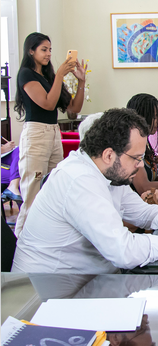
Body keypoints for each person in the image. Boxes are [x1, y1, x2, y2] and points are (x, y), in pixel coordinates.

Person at [12, 108, 158, 274]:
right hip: (50, 295)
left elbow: (144, 213)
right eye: (136, 158)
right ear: (108, 155)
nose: (141, 166)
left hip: (85, 281)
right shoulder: (80, 180)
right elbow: (124, 251)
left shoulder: (108, 174)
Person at [14, 32, 87, 236]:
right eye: (43, 49)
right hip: (36, 134)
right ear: (31, 51)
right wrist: (60, 76)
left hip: (54, 133)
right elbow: (46, 103)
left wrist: (81, 82)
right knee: (32, 194)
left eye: (50, 49)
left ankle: (46, 238)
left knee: (53, 188)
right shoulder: (26, 74)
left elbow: (73, 110)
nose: (48, 54)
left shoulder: (49, 78)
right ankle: (19, 248)